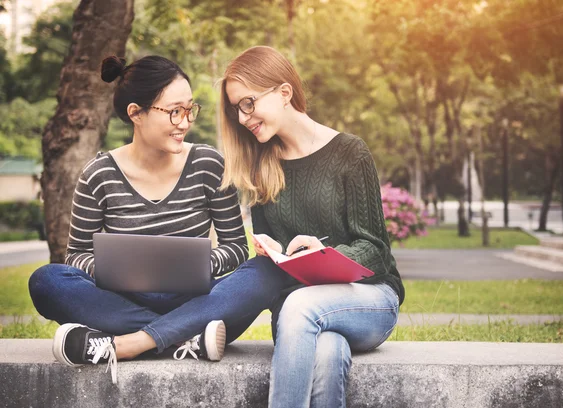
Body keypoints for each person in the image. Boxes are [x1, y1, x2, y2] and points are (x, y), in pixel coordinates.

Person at [29, 55, 289, 384]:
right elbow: (77, 255)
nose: (184, 122)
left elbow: (236, 247)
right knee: (47, 281)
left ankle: (130, 343)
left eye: (189, 110)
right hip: (130, 301)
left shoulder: (209, 164)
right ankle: (185, 339)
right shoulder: (99, 175)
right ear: (135, 113)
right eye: (174, 111)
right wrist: (117, 270)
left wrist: (202, 264)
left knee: (265, 272)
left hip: (198, 298)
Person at [219, 46, 405, 408]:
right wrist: (275, 253)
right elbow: (276, 270)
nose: (243, 118)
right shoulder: (262, 169)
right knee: (327, 350)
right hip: (298, 313)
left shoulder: (350, 152)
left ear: (284, 93)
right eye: (236, 109)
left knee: (303, 307)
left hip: (369, 301)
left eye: (248, 103)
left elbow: (376, 250)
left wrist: (325, 255)